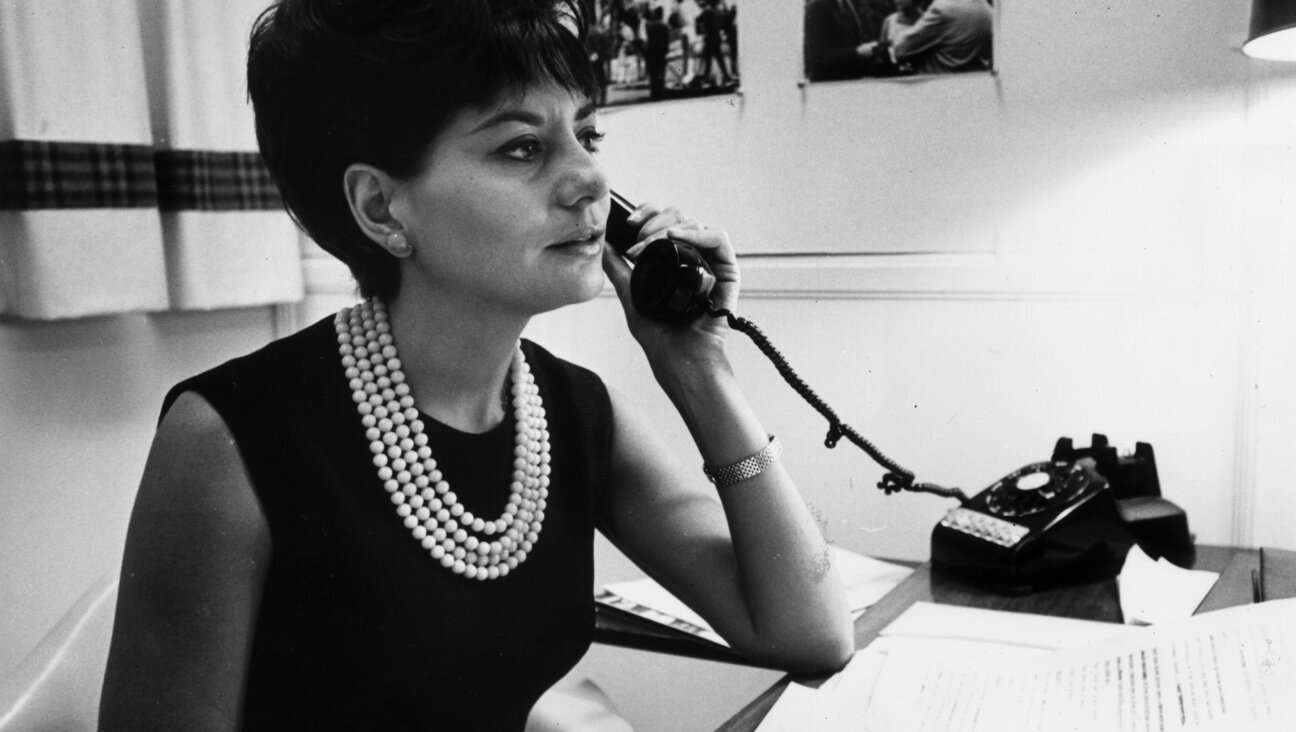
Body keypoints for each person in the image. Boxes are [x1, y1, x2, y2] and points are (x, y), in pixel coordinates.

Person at [98, 1, 853, 730]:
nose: (589, 179)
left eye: (588, 135)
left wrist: (698, 368)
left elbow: (810, 634)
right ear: (383, 209)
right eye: (521, 147)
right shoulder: (228, 442)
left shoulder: (576, 413)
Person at [890, 0, 993, 74]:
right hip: (974, 90)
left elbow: (900, 50)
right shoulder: (988, 10)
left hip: (939, 90)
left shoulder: (943, 9)